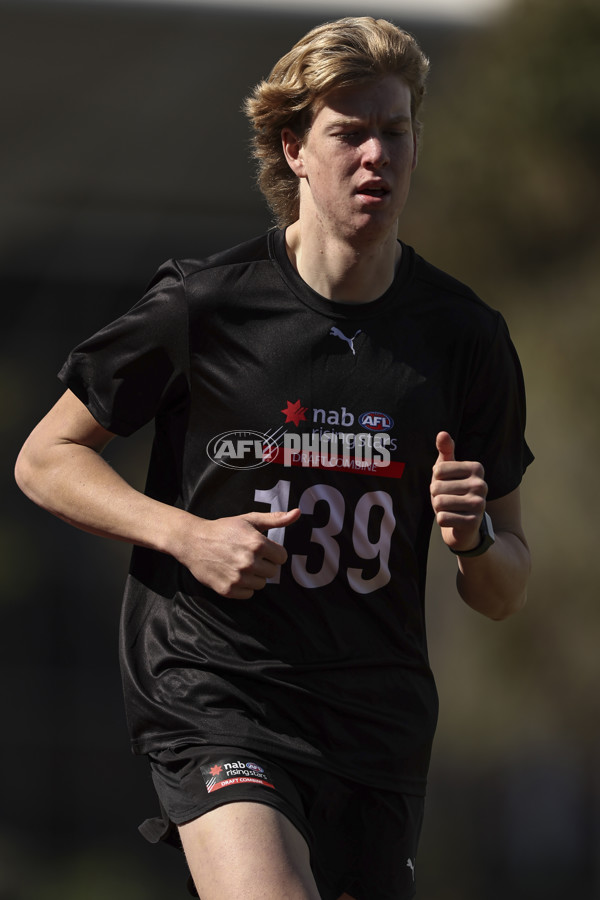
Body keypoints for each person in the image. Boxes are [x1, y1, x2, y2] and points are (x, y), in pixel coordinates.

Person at [14, 16, 533, 900]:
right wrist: (187, 536)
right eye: (350, 132)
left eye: (396, 132)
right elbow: (43, 458)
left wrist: (475, 537)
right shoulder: (204, 305)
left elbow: (506, 588)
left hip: (376, 725)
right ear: (294, 148)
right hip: (222, 697)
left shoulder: (465, 339)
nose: (377, 155)